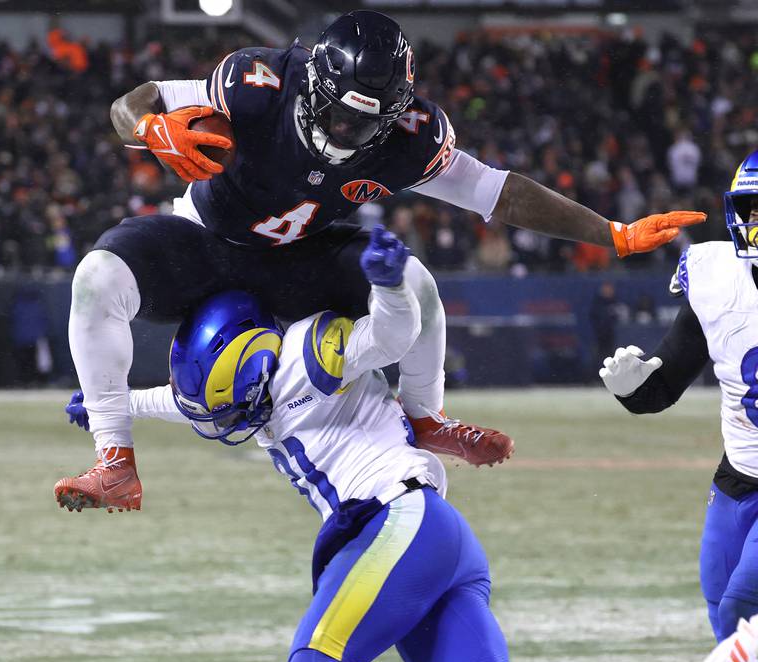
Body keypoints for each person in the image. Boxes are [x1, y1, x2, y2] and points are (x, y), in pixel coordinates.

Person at [67, 226, 695, 662]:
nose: (221, 423)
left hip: (396, 522)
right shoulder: (250, 379)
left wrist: (390, 284)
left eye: (222, 407)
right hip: (437, 535)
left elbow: (391, 336)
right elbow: (191, 401)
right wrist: (114, 405)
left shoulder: (309, 353)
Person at [55, 9, 706, 513]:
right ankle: (114, 460)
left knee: (414, 283)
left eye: (364, 125)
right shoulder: (257, 82)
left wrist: (611, 234)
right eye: (337, 116)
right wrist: (150, 128)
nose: (346, 133)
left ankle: (425, 417)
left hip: (298, 262)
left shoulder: (408, 138)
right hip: (206, 242)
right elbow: (131, 102)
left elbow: (497, 192)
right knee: (96, 280)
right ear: (314, 85)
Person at [599, 150, 758, 662]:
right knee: (721, 604)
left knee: (743, 614)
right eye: (755, 210)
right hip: (740, 474)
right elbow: (670, 380)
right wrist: (637, 388)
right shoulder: (715, 273)